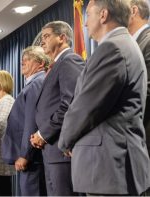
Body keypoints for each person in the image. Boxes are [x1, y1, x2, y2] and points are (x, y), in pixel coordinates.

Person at [58, 0, 150, 195]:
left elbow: (86, 107)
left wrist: (65, 140)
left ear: (103, 15)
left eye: (88, 15)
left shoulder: (113, 48)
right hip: (112, 167)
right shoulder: (123, 44)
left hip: (109, 166)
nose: (84, 23)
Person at [29, 21, 85, 196]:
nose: (42, 41)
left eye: (46, 36)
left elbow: (71, 104)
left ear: (62, 37)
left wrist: (43, 134)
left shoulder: (70, 60)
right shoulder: (56, 64)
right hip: (51, 150)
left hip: (61, 150)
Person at [2, 46, 49, 196]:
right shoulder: (34, 83)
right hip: (31, 157)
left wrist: (25, 155)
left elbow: (31, 122)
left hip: (32, 159)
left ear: (41, 63)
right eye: (22, 60)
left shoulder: (37, 83)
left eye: (27, 60)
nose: (23, 62)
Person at [128, 0, 150, 157]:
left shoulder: (148, 41)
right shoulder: (132, 43)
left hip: (144, 134)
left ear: (133, 11)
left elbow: (146, 90)